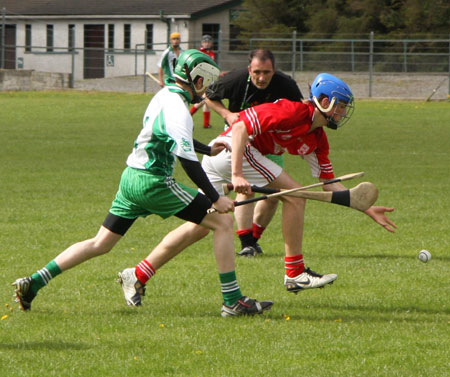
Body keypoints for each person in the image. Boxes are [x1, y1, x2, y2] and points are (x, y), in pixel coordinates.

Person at [12, 49, 273, 318]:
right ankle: (232, 301)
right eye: (204, 83)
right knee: (223, 222)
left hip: (131, 178)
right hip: (153, 182)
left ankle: (35, 281)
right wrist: (215, 198)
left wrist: (207, 149)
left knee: (101, 243)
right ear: (195, 81)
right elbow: (187, 161)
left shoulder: (164, 96)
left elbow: (171, 136)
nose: (206, 90)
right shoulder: (178, 108)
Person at [201, 73, 397, 293]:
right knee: (295, 196)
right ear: (325, 102)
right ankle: (295, 273)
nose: (342, 113)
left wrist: (366, 207)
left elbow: (328, 184)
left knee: (198, 223)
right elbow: (238, 128)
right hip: (231, 149)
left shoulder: (317, 139)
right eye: (340, 106)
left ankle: (151, 267)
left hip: (218, 158)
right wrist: (237, 174)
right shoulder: (292, 111)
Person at [204, 49, 304, 257]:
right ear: (249, 69)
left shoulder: (286, 85)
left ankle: (253, 239)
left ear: (274, 70)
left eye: (267, 73)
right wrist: (227, 114)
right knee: (246, 189)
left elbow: (300, 113)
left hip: (270, 144)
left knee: (275, 195)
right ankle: (247, 242)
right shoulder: (236, 79)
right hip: (241, 141)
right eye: (257, 72)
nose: (261, 78)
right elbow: (209, 96)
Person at [190, 35, 216, 129]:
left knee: (206, 102)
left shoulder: (212, 53)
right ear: (202, 43)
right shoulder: (200, 53)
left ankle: (206, 124)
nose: (207, 43)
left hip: (210, 79)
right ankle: (189, 114)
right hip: (202, 80)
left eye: (208, 42)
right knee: (204, 99)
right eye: (205, 42)